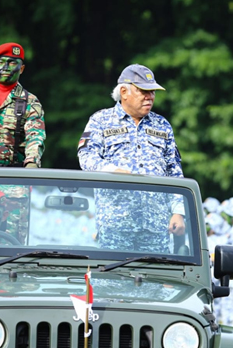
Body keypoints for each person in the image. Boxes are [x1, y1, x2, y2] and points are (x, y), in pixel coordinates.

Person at [78, 63, 185, 243]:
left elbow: (174, 170)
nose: (150, 97)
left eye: (152, 92)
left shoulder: (162, 125)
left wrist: (178, 211)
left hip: (156, 228)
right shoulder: (100, 120)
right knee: (111, 272)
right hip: (115, 226)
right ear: (124, 92)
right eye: (143, 91)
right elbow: (86, 157)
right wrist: (111, 170)